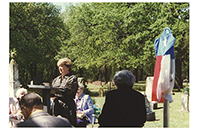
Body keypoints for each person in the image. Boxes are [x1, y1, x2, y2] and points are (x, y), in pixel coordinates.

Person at [51, 57, 78, 126]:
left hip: (67, 106)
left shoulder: (72, 78)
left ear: (68, 67)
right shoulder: (56, 79)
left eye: (62, 66)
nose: (60, 68)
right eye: (59, 66)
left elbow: (66, 90)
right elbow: (51, 90)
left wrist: (55, 91)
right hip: (56, 105)